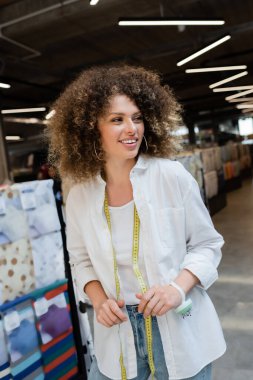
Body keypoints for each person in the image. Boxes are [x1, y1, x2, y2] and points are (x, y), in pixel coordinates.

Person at [47, 65, 226, 380]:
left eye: (137, 117)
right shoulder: (79, 196)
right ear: (90, 128)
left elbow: (207, 244)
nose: (132, 128)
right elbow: (80, 260)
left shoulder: (171, 177)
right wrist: (99, 301)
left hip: (177, 323)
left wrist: (177, 288)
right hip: (117, 332)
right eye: (117, 119)